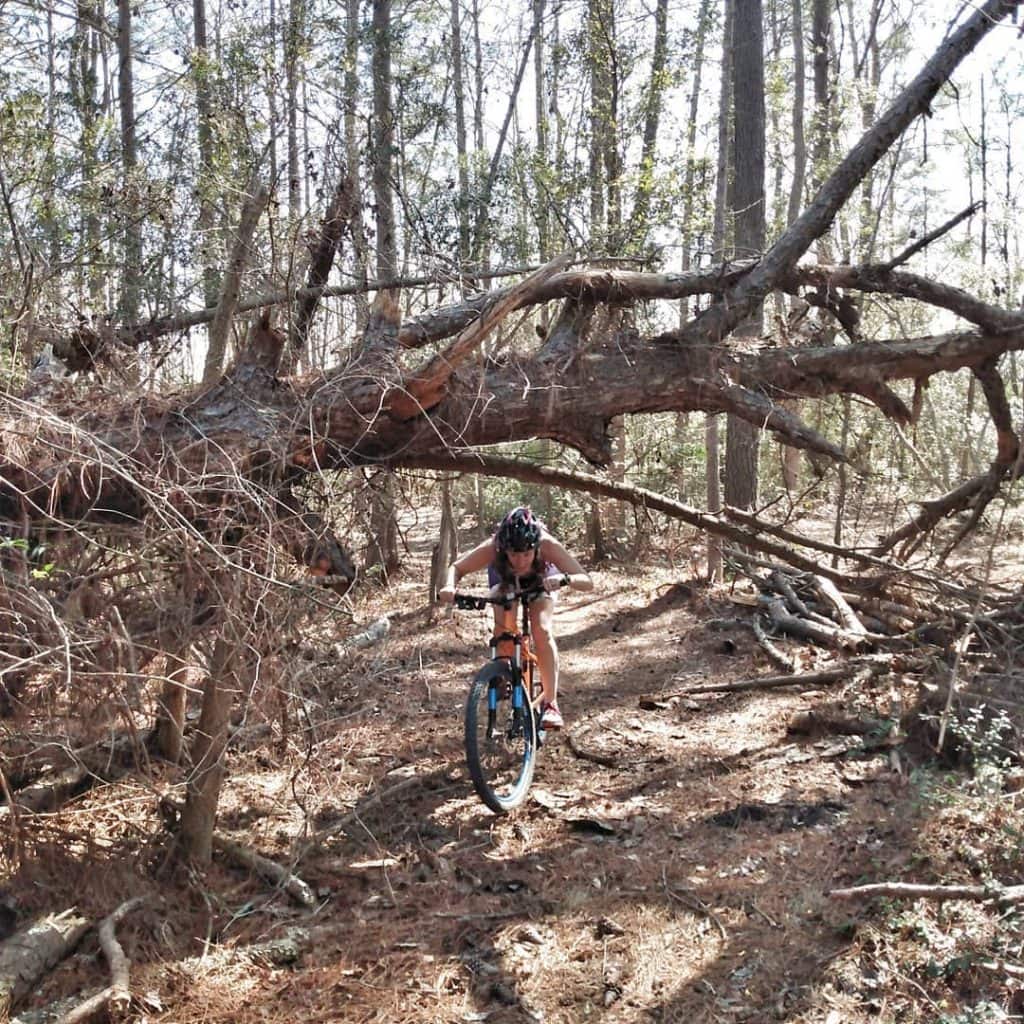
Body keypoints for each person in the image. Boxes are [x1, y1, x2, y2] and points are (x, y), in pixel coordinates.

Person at [438, 506, 593, 730]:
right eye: (513, 555)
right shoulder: (494, 546)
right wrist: (449, 586)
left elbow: (587, 581)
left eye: (527, 554)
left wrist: (564, 579)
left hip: (542, 581)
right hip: (505, 582)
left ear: (536, 548)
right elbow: (458, 567)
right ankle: (503, 672)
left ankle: (550, 703)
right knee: (504, 631)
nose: (520, 561)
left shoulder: (547, 544)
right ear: (504, 549)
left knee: (541, 630)